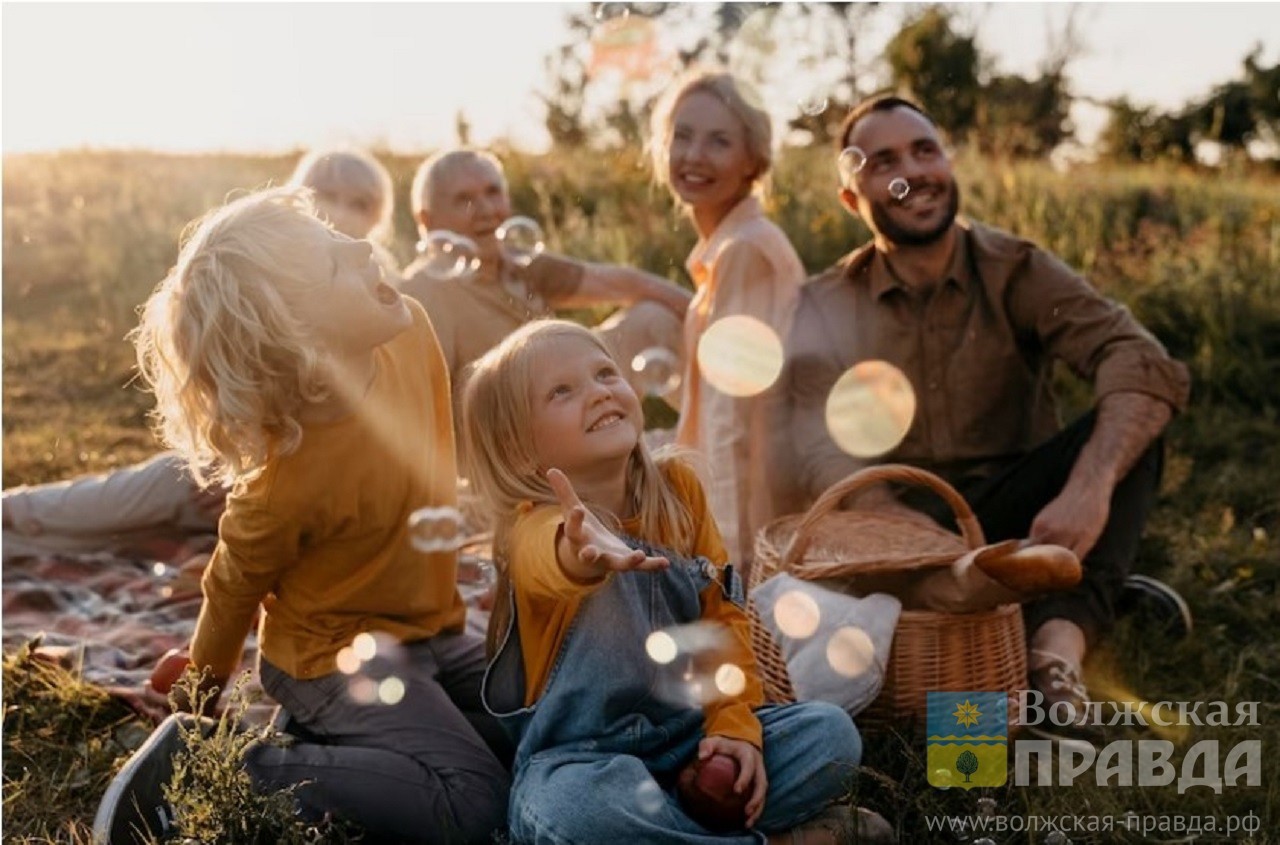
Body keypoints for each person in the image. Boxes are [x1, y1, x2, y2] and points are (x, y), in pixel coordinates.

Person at [772, 95, 1192, 730]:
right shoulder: (826, 303)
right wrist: (907, 537)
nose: (914, 172)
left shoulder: (1016, 268)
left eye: (925, 150)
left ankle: (1052, 659)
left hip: (1021, 510)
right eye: (883, 161)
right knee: (880, 582)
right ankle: (1063, 598)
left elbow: (1137, 358)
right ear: (851, 199)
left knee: (1129, 431)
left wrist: (1087, 487)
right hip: (906, 527)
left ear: (949, 162)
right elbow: (814, 447)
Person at [125, 186, 509, 842]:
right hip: (332, 658)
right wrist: (197, 697)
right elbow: (231, 587)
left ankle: (327, 741)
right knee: (475, 803)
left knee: (548, 719)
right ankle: (226, 762)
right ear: (296, 335)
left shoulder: (411, 328)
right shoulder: (285, 483)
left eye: (339, 237)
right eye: (335, 262)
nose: (362, 244)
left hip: (431, 629)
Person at [460, 320, 873, 844]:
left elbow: (722, 622)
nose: (598, 391)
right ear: (521, 450)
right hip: (581, 766)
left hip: (690, 741)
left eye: (604, 372)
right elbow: (550, 558)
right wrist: (581, 552)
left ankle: (673, 827)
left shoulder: (680, 491)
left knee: (830, 734)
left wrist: (733, 731)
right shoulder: (533, 527)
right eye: (561, 391)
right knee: (569, 813)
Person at [1, 147, 402, 564]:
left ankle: (22, 524)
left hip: (319, 492)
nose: (341, 211)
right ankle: (15, 513)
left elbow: (384, 422)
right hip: (246, 466)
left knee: (150, 511)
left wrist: (265, 482)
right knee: (161, 483)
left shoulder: (388, 296)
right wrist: (242, 464)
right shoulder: (265, 285)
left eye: (360, 203)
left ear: (380, 218)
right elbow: (244, 387)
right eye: (326, 195)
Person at [648, 69, 805, 571]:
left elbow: (730, 422)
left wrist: (728, 569)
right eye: (683, 136)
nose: (694, 156)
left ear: (752, 163)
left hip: (755, 513)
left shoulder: (745, 251)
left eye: (719, 142)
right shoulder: (728, 249)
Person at [399, 148, 692, 407]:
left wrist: (708, 313)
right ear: (427, 220)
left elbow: (618, 283)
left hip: (566, 396)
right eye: (464, 200)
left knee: (654, 318)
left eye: (492, 192)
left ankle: (710, 433)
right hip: (507, 433)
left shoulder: (515, 260)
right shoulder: (424, 290)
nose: (486, 210)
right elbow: (428, 406)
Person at [286, 146, 402, 281]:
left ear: (377, 215)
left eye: (358, 204)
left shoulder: (384, 276)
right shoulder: (278, 261)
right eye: (329, 197)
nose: (341, 215)